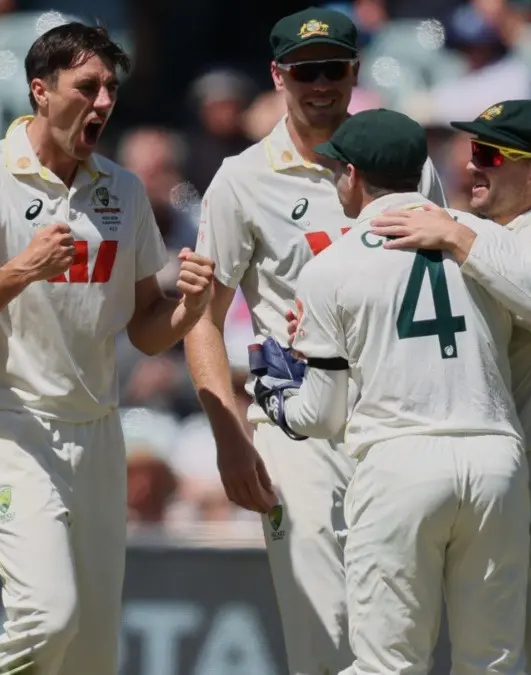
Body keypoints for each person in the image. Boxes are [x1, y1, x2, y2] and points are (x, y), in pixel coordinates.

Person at [0, 22, 215, 675]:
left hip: (96, 434)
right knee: (46, 614)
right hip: (9, 426)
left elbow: (145, 327)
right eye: (88, 86)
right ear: (41, 90)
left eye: (111, 88)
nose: (104, 101)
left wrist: (190, 307)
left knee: (90, 651)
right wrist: (21, 270)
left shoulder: (124, 190)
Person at [183, 8, 447, 672]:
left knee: (400, 632)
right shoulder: (241, 180)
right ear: (278, 76)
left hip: (395, 421)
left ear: (356, 72)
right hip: (297, 425)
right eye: (305, 72)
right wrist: (229, 436)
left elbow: (440, 287)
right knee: (324, 628)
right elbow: (202, 319)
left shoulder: (401, 159)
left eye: (333, 69)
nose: (320, 85)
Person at [264, 108, 531, 673]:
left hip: (400, 465)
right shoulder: (482, 238)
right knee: (493, 662)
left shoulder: (329, 267)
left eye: (337, 170)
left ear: (354, 175)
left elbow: (322, 414)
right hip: (495, 462)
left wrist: (274, 397)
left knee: (389, 665)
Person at [369, 99, 531, 675]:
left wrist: (457, 236)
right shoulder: (482, 232)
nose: (471, 165)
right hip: (497, 474)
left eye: (489, 153)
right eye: (469, 151)